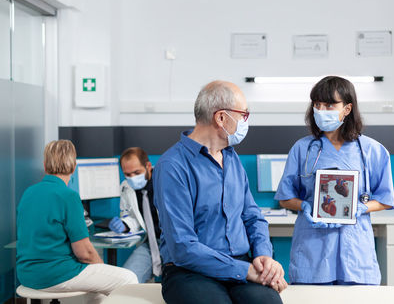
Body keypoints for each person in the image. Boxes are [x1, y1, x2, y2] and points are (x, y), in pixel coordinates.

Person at [154, 81, 287, 304]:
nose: (246, 121)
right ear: (221, 118)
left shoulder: (232, 159)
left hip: (241, 263)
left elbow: (253, 217)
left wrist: (263, 256)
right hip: (189, 272)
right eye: (244, 114)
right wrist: (245, 271)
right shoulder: (172, 166)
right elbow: (183, 247)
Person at [275, 76, 394, 285]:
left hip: (356, 250)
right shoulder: (302, 149)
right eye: (317, 104)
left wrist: (359, 208)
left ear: (347, 109)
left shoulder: (372, 151)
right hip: (313, 249)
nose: (322, 109)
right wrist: (307, 206)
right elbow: (285, 198)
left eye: (330, 104)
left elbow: (385, 199)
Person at [16, 140, 138, 304]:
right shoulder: (68, 196)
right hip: (55, 275)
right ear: (73, 167)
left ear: (45, 166)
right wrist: (100, 267)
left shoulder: (28, 193)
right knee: (128, 279)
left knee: (98, 289)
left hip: (26, 274)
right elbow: (85, 253)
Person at [107, 147, 162, 283]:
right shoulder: (126, 187)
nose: (133, 178)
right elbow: (132, 217)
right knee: (126, 282)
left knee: (173, 286)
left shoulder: (165, 181)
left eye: (137, 172)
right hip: (149, 244)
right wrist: (125, 225)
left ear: (148, 166)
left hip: (172, 244)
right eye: (128, 174)